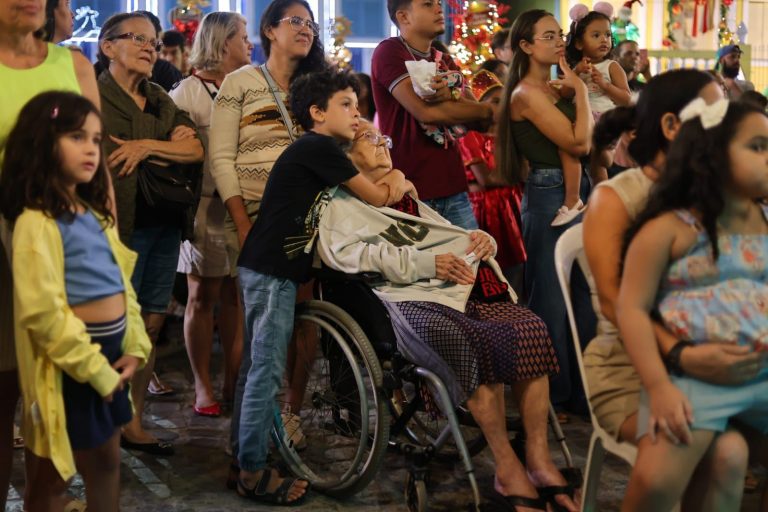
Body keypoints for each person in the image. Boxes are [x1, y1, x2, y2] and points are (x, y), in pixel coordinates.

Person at [317, 118, 578, 512]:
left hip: (454, 287)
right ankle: (507, 466)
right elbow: (351, 256)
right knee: (466, 341)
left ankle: (539, 459)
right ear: (346, 157)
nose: (383, 142)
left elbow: (446, 234)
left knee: (528, 326)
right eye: (370, 138)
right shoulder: (338, 204)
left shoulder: (402, 193)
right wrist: (428, 263)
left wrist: (481, 240)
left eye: (382, 137)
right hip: (406, 297)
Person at [583, 69, 767, 510]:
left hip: (729, 360)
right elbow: (616, 303)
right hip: (632, 364)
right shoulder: (623, 199)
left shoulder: (733, 199)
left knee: (733, 450)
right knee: (724, 453)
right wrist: (682, 356)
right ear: (671, 125)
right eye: (716, 113)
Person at [234, 68, 409, 506]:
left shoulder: (317, 150)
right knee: (265, 372)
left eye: (358, 105)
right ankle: (251, 471)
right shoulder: (317, 147)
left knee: (257, 369)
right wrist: (399, 180)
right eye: (346, 105)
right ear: (316, 113)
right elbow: (376, 196)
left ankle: (244, 455)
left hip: (268, 268)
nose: (357, 114)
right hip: (271, 271)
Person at [0, 91, 152, 512]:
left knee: (106, 462)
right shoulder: (36, 223)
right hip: (71, 367)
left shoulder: (92, 213)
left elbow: (123, 288)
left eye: (96, 139)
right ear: (41, 143)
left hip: (111, 359)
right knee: (51, 479)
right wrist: (97, 373)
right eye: (76, 137)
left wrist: (135, 346)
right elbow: (44, 314)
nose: (90, 149)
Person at [209, 0, 328, 475]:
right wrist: (243, 223)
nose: (305, 29)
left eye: (310, 23)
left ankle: (288, 414)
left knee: (303, 319)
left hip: (309, 218)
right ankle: (249, 439)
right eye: (295, 21)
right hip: (256, 218)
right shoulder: (241, 83)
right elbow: (221, 158)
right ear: (270, 31)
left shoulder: (317, 88)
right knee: (260, 334)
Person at [0, 0, 101, 506]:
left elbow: (96, 164)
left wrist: (105, 245)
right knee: (3, 391)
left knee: (56, 393)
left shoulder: (73, 64)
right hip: (3, 244)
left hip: (65, 244)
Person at [97, 11, 204, 455]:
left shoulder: (159, 97)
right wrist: (165, 148)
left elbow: (193, 147)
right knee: (110, 329)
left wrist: (144, 147)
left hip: (163, 225)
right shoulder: (94, 96)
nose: (149, 48)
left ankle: (134, 421)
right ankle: (101, 425)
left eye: (154, 42)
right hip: (114, 228)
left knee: (151, 324)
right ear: (107, 47)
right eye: (137, 38)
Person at [495, 9, 594, 410]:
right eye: (548, 36)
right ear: (525, 45)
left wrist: (576, 91)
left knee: (584, 295)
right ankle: (553, 395)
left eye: (560, 35)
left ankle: (585, 394)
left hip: (578, 187)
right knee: (550, 299)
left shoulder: (555, 87)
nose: (559, 43)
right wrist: (582, 93)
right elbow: (579, 143)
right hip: (549, 192)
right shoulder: (526, 94)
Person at [171, 12, 251, 417]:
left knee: (236, 294)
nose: (249, 44)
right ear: (222, 43)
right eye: (243, 37)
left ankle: (233, 378)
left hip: (244, 205)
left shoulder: (248, 86)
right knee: (202, 295)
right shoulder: (186, 93)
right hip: (203, 205)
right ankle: (203, 385)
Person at [371, 0, 494, 230]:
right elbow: (425, 112)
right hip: (412, 191)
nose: (439, 9)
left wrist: (455, 98)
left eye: (438, 3)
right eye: (428, 4)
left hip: (454, 187)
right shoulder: (389, 51)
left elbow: (475, 117)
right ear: (404, 17)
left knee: (475, 254)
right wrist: (490, 109)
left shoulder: (443, 59)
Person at [558, 2, 631, 225]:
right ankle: (575, 197)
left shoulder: (612, 67)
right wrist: (576, 73)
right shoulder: (575, 68)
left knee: (599, 166)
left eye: (607, 35)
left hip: (603, 120)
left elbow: (627, 99)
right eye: (596, 35)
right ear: (579, 43)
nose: (604, 40)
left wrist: (606, 86)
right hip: (581, 119)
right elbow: (564, 94)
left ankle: (601, 201)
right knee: (570, 150)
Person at [458, 70, 525, 291]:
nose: (502, 106)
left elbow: (524, 172)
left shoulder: (509, 136)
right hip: (489, 209)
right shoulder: (471, 137)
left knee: (518, 266)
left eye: (504, 101)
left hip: (513, 205)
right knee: (494, 265)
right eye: (494, 101)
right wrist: (513, 175)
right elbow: (485, 179)